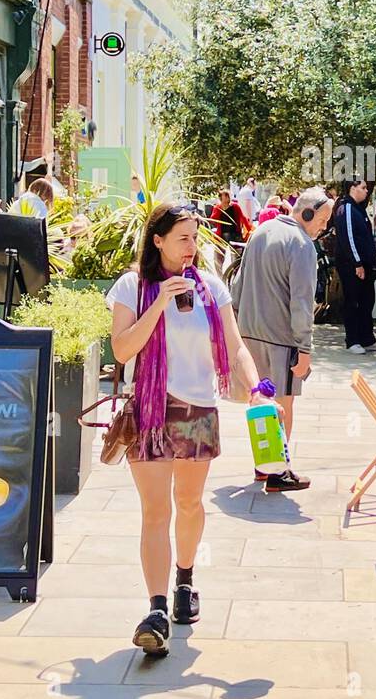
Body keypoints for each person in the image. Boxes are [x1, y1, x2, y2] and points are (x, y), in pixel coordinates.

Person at [107, 203, 272, 656]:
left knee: (190, 502)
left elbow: (235, 347)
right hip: (150, 410)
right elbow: (122, 351)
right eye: (182, 238)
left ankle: (185, 579)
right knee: (156, 511)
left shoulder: (210, 288)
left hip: (198, 410)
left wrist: (257, 387)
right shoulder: (132, 288)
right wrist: (159, 301)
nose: (191, 247)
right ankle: (157, 609)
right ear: (157, 241)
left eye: (194, 238)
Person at [231, 186, 335, 493]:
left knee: (260, 402)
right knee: (282, 405)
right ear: (307, 212)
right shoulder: (302, 245)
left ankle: (263, 465)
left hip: (249, 333)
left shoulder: (260, 232)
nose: (324, 227)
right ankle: (279, 472)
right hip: (282, 339)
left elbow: (237, 284)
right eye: (323, 219)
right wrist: (305, 347)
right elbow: (302, 303)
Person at [332, 177, 376, 353]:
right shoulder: (347, 209)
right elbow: (349, 238)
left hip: (363, 264)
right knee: (353, 301)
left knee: (367, 300)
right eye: (363, 187)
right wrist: (357, 263)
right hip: (351, 265)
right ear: (353, 188)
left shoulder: (358, 209)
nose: (366, 191)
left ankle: (366, 337)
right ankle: (352, 340)